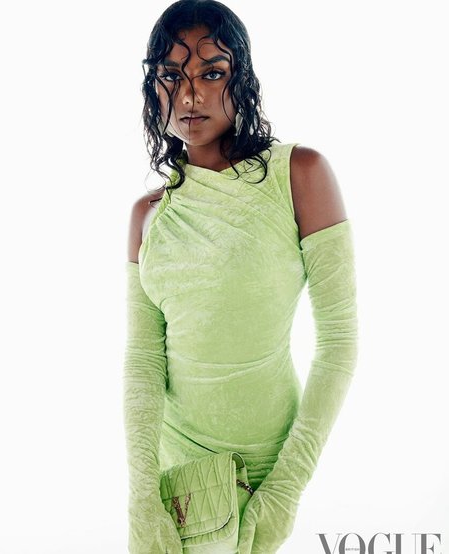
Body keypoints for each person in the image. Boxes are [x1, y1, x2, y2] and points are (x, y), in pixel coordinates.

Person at [123, 1, 359, 553]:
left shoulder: (298, 175)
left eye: (211, 73)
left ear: (242, 80)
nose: (189, 96)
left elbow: (339, 342)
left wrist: (285, 488)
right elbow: (143, 360)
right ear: (154, 89)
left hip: (268, 465)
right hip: (177, 477)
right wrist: (141, 497)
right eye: (171, 77)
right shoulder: (148, 215)